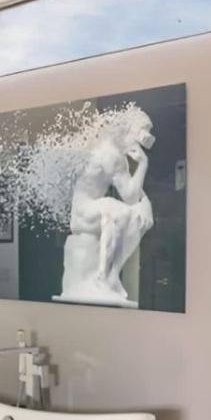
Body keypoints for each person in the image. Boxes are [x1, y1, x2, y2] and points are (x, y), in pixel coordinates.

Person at [60, 110, 155, 303]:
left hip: (84, 212)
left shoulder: (106, 147)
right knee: (116, 210)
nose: (143, 140)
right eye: (142, 132)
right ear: (130, 130)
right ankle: (104, 277)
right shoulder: (112, 155)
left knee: (132, 214)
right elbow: (130, 196)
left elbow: (132, 196)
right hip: (83, 214)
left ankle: (109, 275)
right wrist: (143, 164)